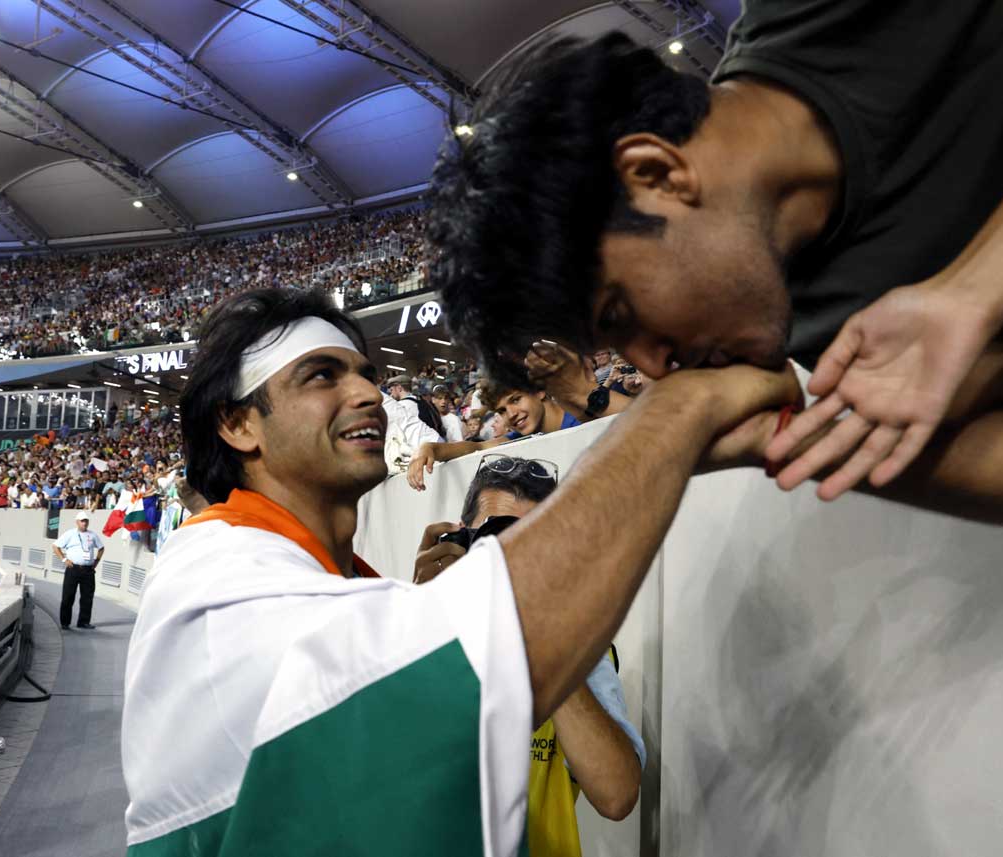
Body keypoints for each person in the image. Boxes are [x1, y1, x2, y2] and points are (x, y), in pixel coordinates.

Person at [120, 286, 801, 856]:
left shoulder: (346, 585)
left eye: (366, 373)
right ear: (239, 425)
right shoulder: (209, 571)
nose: (369, 394)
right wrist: (676, 418)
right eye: (322, 375)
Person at [425, 16, 1003, 526]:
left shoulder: (818, 19)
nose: (656, 367)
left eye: (620, 315)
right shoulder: (820, 322)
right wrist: (782, 443)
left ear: (656, 173)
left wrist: (978, 286)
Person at [414, 454, 645, 856]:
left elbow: (617, 796)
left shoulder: (578, 653)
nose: (517, 556)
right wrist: (417, 620)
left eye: (537, 539)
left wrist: (540, 638)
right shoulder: (416, 631)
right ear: (462, 539)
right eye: (500, 539)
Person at [406, 379, 582, 491]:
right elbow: (477, 447)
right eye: (502, 410)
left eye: (516, 399)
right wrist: (429, 448)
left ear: (539, 391)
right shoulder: (521, 438)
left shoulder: (586, 422)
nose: (511, 414)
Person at [52, 510, 105, 630]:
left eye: (86, 521)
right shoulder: (70, 534)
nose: (84, 523)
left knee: (87, 597)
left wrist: (96, 561)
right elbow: (55, 546)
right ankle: (65, 623)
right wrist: (64, 559)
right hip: (73, 569)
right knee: (68, 596)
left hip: (88, 570)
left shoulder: (92, 535)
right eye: (82, 521)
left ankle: (84, 621)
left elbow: (101, 548)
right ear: (77, 522)